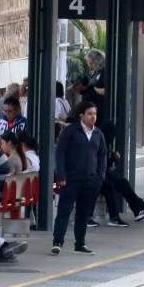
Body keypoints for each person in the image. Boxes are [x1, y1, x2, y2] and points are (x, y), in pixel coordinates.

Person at [52, 101, 105, 255]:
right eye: (89, 113)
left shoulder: (98, 134)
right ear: (81, 115)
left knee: (83, 213)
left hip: (90, 181)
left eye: (94, 114)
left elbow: (102, 157)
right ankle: (57, 241)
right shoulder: (71, 131)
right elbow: (60, 152)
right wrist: (61, 174)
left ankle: (80, 243)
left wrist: (100, 177)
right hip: (71, 179)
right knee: (64, 210)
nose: (93, 117)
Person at [98, 122, 144, 226]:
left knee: (122, 182)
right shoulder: (98, 139)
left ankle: (139, 208)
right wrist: (112, 158)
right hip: (95, 174)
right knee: (111, 186)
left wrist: (112, 157)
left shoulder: (102, 140)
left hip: (101, 172)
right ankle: (121, 215)